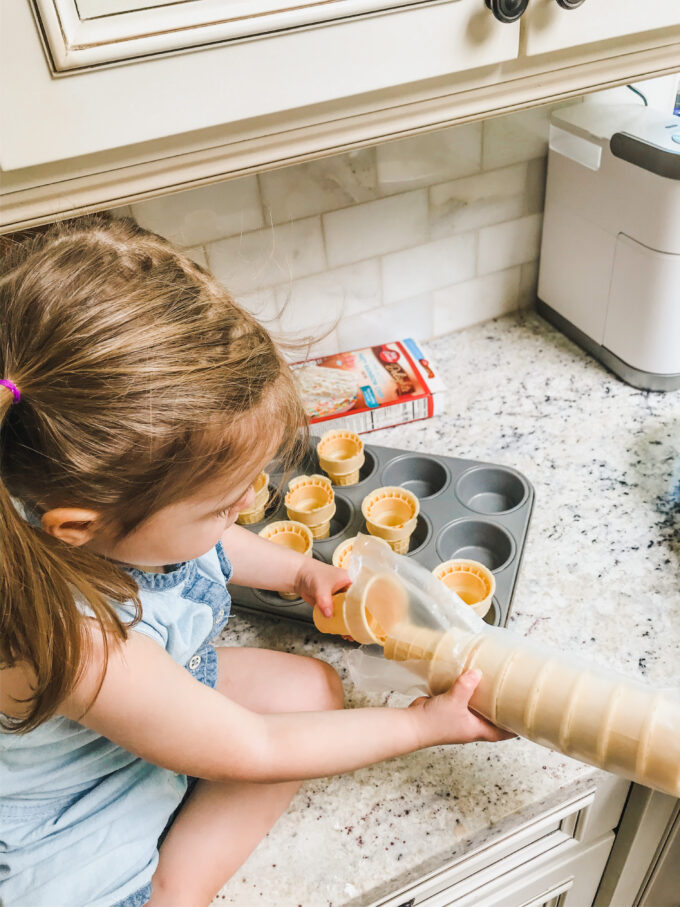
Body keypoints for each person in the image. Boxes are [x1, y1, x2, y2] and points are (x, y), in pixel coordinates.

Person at [0, 214, 513, 907]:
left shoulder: (84, 498)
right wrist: (419, 727)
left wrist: (298, 571)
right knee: (274, 743)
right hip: (77, 809)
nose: (248, 502)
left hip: (143, 705)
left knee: (312, 692)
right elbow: (256, 748)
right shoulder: (79, 642)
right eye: (218, 504)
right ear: (78, 528)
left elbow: (199, 548)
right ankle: (173, 892)